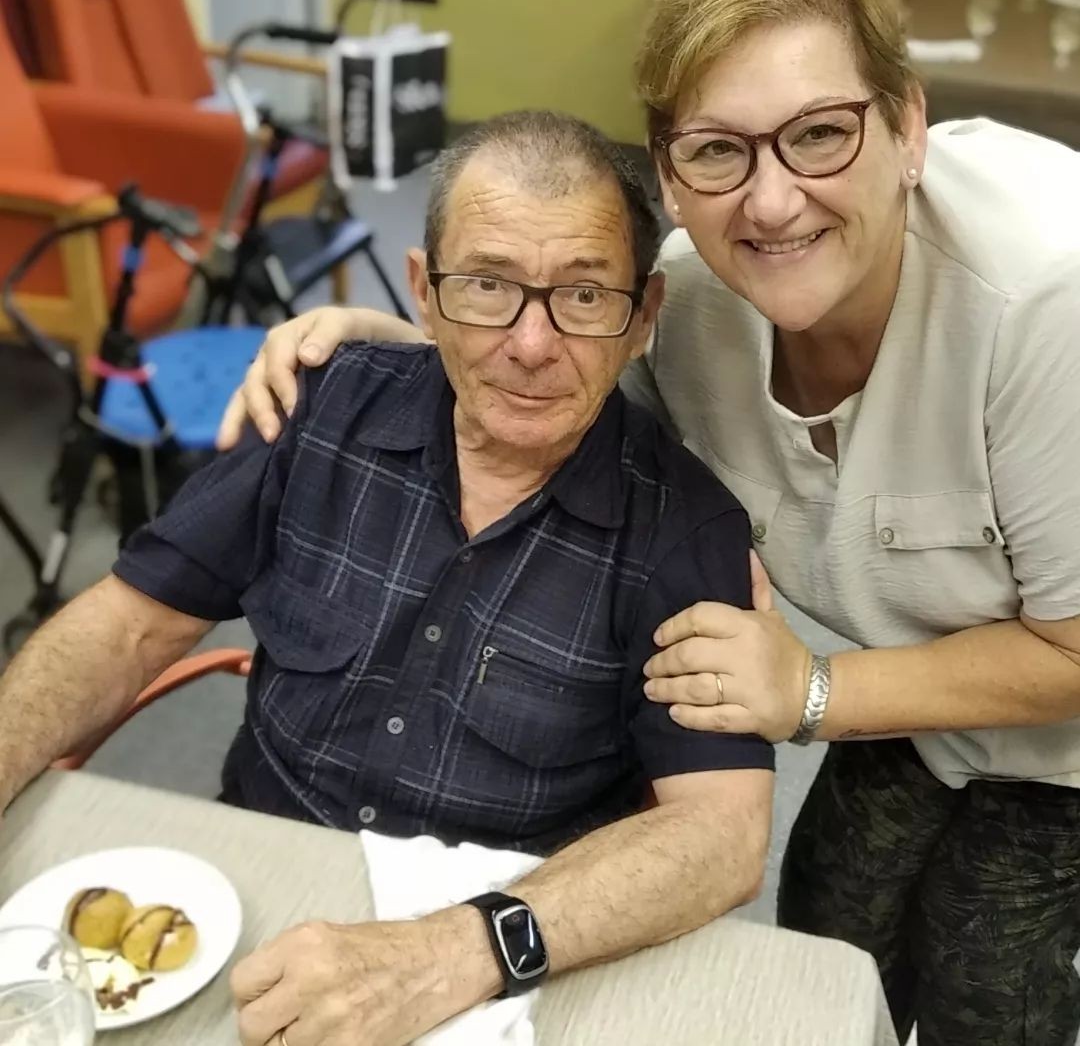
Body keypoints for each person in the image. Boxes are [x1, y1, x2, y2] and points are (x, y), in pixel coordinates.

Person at [221, 0, 1080, 1044]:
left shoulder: (1047, 301)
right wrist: (411, 341)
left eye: (820, 134)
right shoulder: (688, 300)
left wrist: (813, 690)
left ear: (909, 127)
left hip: (1060, 738)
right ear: (670, 174)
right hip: (915, 693)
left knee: (993, 991)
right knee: (829, 950)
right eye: (717, 150)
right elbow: (562, 384)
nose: (771, 201)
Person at [0, 110, 774, 1046]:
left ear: (642, 317)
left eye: (582, 295)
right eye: (487, 286)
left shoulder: (684, 531)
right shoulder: (320, 407)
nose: (531, 343)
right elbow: (127, 626)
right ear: (423, 293)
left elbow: (721, 835)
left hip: (502, 948)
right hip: (254, 887)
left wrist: (452, 953)